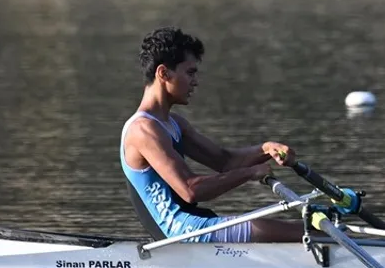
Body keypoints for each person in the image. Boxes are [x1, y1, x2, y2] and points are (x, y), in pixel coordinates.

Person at [120, 27, 303, 243]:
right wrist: (249, 173)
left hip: (195, 223)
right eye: (190, 72)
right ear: (163, 73)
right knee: (290, 230)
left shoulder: (174, 124)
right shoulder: (143, 130)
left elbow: (225, 161)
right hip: (181, 232)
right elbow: (190, 190)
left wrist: (266, 150)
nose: (195, 81)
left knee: (306, 227)